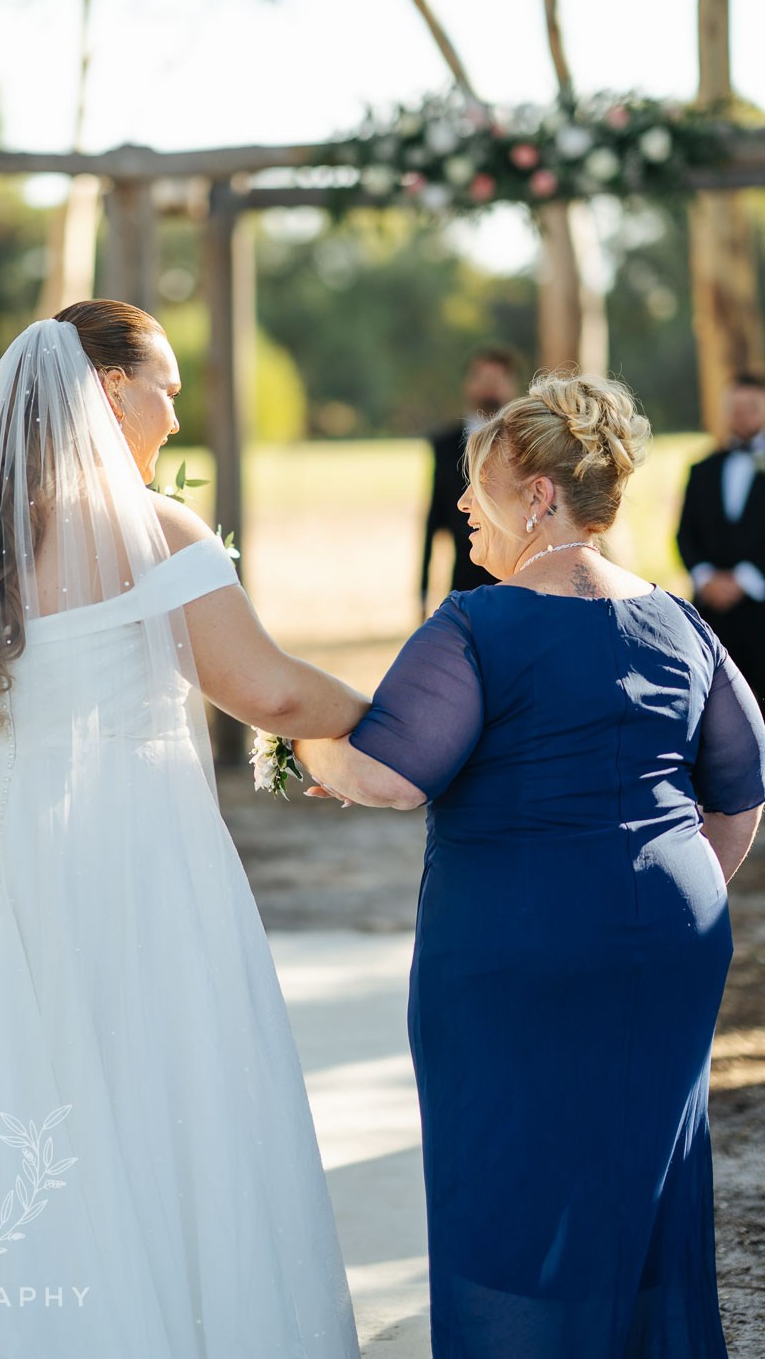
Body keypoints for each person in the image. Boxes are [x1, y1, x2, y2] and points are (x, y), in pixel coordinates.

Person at [0, 302, 365, 1358]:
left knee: (10, 1109)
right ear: (104, 391)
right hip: (120, 853)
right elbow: (268, 694)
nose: (174, 417)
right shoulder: (153, 533)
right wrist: (392, 720)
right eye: (165, 389)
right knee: (150, 1093)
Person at [296, 373, 765, 1359]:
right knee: (637, 1174)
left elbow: (387, 775)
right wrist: (663, 905)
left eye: (477, 485)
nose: (462, 504)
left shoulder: (477, 624)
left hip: (512, 950)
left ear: (538, 495)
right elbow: (739, 789)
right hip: (669, 948)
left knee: (505, 1176)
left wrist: (302, 747)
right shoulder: (682, 622)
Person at [677, 371, 765, 707]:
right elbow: (684, 534)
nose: (741, 414)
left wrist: (744, 580)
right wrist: (705, 577)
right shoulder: (702, 469)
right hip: (710, 612)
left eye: (752, 406)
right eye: (734, 406)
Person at [419, 346, 521, 613]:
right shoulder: (444, 445)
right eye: (483, 380)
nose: (490, 389)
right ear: (468, 384)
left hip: (520, 581)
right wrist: (423, 591)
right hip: (466, 583)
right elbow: (434, 519)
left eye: (497, 381)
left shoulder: (528, 444)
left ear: (511, 386)